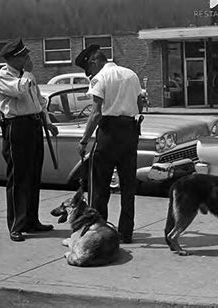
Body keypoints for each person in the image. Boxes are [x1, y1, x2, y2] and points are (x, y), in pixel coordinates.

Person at [76, 45, 145, 244]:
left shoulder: (100, 78)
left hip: (109, 133)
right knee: (128, 185)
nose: (91, 74)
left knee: (100, 185)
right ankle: (126, 232)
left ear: (94, 62)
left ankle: (99, 230)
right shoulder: (131, 74)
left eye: (89, 69)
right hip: (130, 131)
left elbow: (96, 113)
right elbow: (140, 103)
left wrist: (84, 140)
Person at [0, 38, 59, 242]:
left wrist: (47, 121)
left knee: (33, 175)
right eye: (24, 56)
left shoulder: (27, 76)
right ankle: (17, 224)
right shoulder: (3, 76)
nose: (27, 59)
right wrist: (28, 73)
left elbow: (39, 101)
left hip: (33, 124)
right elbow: (20, 92)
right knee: (19, 176)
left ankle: (31, 220)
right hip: (16, 127)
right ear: (13, 58)